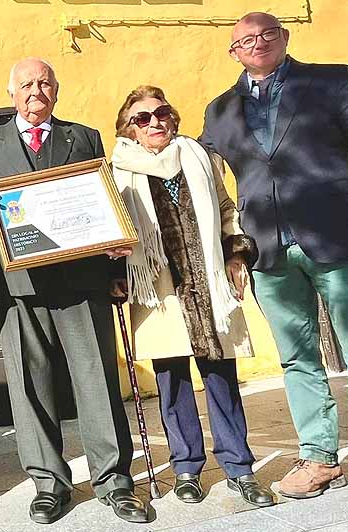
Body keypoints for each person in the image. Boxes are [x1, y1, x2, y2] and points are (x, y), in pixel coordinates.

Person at [200, 12, 348, 519]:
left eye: (265, 35)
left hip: (341, 239)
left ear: (284, 38)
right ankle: (319, 457)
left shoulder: (332, 80)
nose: (256, 44)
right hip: (267, 250)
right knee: (297, 359)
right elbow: (200, 174)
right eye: (244, 41)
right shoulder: (220, 110)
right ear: (233, 52)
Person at [0, 57, 150, 525]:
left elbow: (102, 200)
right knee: (29, 385)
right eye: (26, 84)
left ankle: (114, 481)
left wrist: (115, 263)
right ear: (11, 93)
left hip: (82, 280)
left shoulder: (82, 137)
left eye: (44, 83)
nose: (35, 90)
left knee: (97, 380)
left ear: (57, 91)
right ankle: (49, 484)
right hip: (18, 286)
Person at [109, 85, 275, 508]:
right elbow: (113, 227)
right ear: (128, 130)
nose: (155, 122)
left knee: (220, 374)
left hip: (209, 282)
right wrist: (115, 272)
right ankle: (186, 467)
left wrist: (236, 253)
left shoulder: (198, 157)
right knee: (173, 380)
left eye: (161, 113)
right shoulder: (117, 171)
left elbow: (224, 208)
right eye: (142, 118)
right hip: (158, 287)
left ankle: (239, 467)